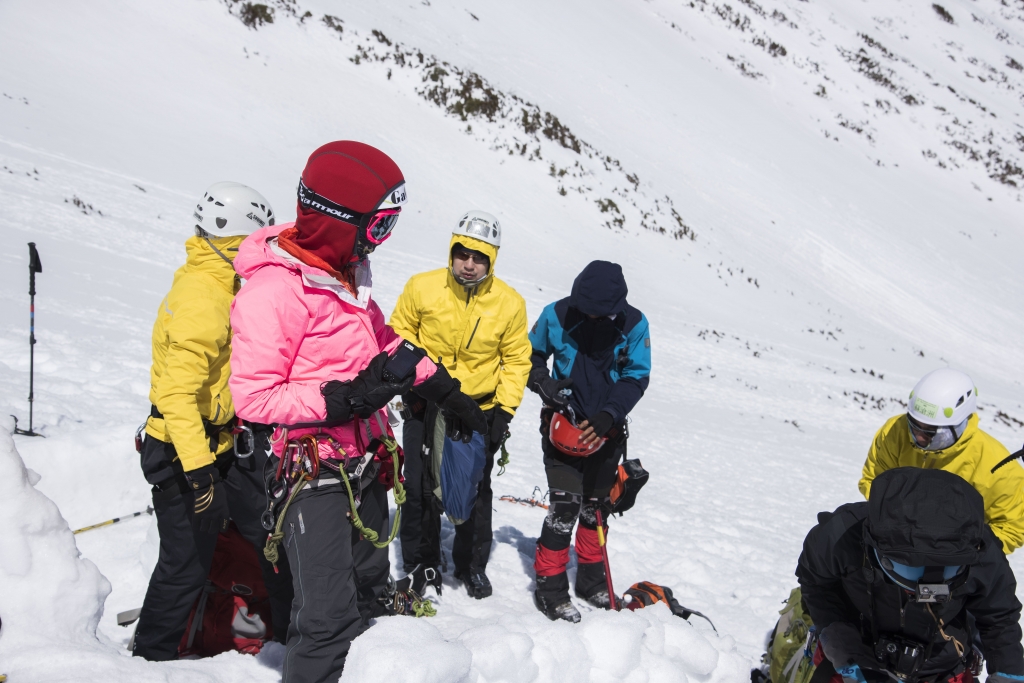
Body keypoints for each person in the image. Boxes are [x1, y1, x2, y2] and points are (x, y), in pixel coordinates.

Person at [229, 141, 487, 682]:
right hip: (313, 472)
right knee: (326, 618)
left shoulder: (345, 272)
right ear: (340, 220)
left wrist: (444, 389)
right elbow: (254, 399)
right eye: (378, 226)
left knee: (370, 594)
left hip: (366, 461)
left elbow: (382, 343)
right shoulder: (274, 292)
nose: (381, 240)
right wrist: (342, 397)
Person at [133, 182, 293, 660]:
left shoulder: (217, 284)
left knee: (269, 537)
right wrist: (200, 470)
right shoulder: (204, 296)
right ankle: (149, 659)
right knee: (184, 565)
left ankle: (289, 639)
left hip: (217, 444)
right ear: (233, 241)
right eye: (255, 243)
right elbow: (176, 394)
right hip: (185, 451)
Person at [389, 210, 532, 600]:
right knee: (417, 484)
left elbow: (517, 361)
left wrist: (503, 413)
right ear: (452, 251)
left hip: (478, 409)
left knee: (473, 488)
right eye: (462, 254)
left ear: (492, 260)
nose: (468, 265)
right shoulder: (422, 287)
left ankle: (471, 565)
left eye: (479, 258)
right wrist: (408, 385)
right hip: (425, 402)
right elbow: (399, 336)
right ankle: (423, 563)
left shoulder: (509, 304)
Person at [798, 467, 1024, 683]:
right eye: (908, 569)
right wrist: (837, 634)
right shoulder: (841, 535)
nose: (923, 586)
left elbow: (999, 617)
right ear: (874, 547)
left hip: (942, 668)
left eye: (947, 570)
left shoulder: (978, 549)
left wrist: (1008, 672)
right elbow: (815, 582)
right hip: (856, 660)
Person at [526, 260, 651, 622]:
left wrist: (610, 413)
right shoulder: (557, 314)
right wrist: (542, 382)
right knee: (565, 508)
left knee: (596, 509)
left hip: (606, 433)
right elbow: (530, 355)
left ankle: (591, 583)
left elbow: (636, 375)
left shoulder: (634, 324)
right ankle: (550, 589)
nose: (594, 319)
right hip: (561, 427)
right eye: (588, 312)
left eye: (603, 315)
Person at [859, 368, 1024, 553]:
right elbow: (874, 482)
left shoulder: (999, 468)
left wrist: (964, 549)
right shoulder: (894, 432)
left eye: (931, 433)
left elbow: (1011, 528)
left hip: (957, 560)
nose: (919, 438)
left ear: (961, 423)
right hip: (896, 542)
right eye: (913, 426)